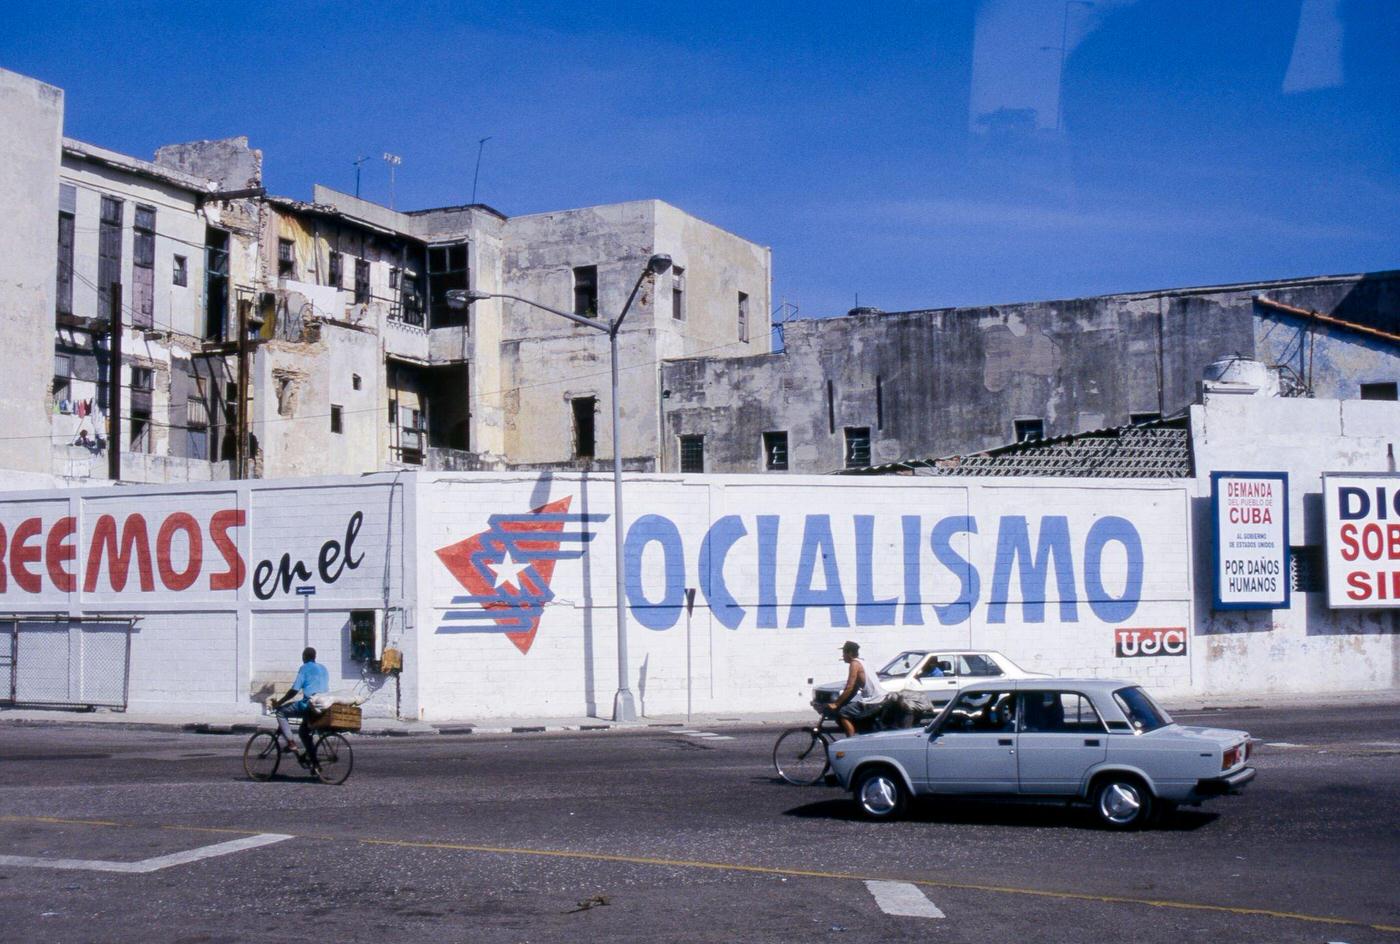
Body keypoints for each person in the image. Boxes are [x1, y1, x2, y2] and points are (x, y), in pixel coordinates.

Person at [270, 647, 329, 763]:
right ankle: (315, 764)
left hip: (309, 705)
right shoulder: (324, 668)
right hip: (322, 705)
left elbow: (294, 690)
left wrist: (279, 703)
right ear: (315, 657)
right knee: (303, 732)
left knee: (281, 712)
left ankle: (291, 743)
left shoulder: (304, 668)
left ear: (304, 657)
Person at [825, 640, 887, 736]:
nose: (843, 656)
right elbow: (853, 690)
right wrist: (842, 702)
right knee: (849, 709)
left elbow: (849, 687)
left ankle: (850, 741)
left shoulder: (854, 664)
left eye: (844, 653)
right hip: (880, 698)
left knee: (842, 713)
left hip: (872, 701)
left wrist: (836, 704)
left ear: (849, 653)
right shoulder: (863, 662)